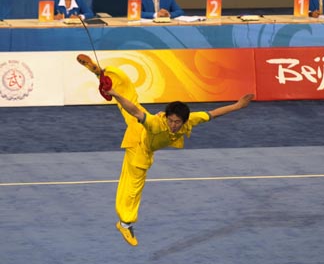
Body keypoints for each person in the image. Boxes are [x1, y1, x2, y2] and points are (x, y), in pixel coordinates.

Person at [76, 54, 254, 246]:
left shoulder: (191, 119)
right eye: (170, 120)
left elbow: (213, 114)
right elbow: (135, 112)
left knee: (130, 95)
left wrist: (238, 105)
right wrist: (115, 95)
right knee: (133, 187)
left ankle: (100, 73)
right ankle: (125, 223)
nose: (174, 125)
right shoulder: (155, 123)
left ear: (185, 120)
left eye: (177, 122)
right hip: (139, 147)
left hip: (140, 127)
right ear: (166, 117)